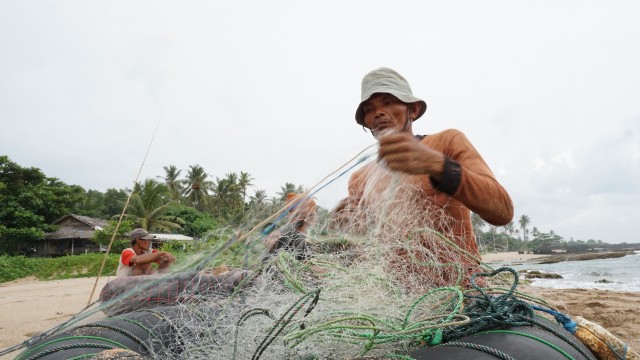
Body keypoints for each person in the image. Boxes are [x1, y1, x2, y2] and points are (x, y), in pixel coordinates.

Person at [332, 67, 514, 287]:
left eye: (388, 102)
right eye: (369, 109)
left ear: (413, 110)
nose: (378, 113)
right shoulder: (360, 177)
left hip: (462, 291)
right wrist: (344, 220)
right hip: (402, 299)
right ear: (367, 122)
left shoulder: (446, 143)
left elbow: (502, 211)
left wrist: (437, 165)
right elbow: (363, 233)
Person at [263, 193, 317, 262]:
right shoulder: (286, 230)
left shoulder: (305, 238)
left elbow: (306, 261)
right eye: (291, 211)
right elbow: (269, 241)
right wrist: (271, 240)